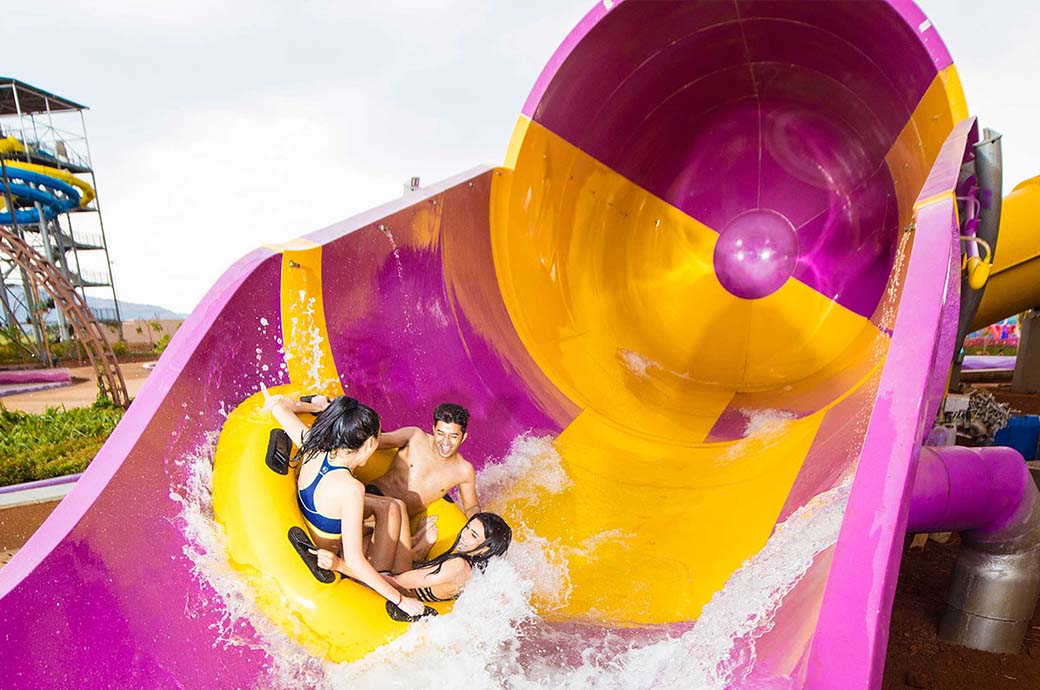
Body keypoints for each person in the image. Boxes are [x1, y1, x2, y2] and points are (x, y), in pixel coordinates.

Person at [265, 393, 425, 617]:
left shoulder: (314, 447)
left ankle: (410, 561)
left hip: (318, 521)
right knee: (390, 522)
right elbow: (354, 561)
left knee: (392, 506)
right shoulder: (351, 489)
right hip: (335, 556)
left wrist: (313, 405)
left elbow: (278, 406)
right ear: (370, 444)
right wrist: (399, 601)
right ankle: (404, 580)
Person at [316, 512, 512, 604]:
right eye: (467, 529)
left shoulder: (458, 566)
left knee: (387, 515)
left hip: (388, 589)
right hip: (406, 579)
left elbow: (395, 583)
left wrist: (339, 565)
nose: (464, 536)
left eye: (473, 536)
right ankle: (419, 547)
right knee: (397, 507)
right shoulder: (469, 565)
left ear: (485, 550)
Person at [367, 403, 481, 550]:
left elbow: (471, 506)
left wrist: (481, 530)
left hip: (398, 522)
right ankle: (414, 543)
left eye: (453, 436)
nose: (445, 442)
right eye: (440, 433)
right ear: (434, 430)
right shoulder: (414, 437)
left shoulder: (464, 470)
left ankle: (413, 546)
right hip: (373, 500)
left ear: (463, 437)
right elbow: (373, 442)